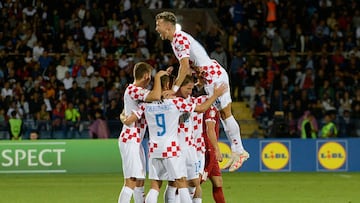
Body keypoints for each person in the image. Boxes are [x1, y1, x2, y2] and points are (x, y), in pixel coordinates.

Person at [155, 11, 249, 172]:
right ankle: (238, 150)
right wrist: (197, 79)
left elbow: (185, 67)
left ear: (168, 26)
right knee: (225, 116)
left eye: (158, 25)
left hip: (214, 77)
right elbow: (191, 66)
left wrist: (174, 89)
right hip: (209, 77)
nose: (157, 29)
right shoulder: (175, 41)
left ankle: (239, 151)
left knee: (226, 115)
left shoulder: (179, 39)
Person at [125, 75, 227, 203]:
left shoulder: (146, 105)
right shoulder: (176, 102)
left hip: (154, 149)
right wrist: (216, 94)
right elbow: (201, 108)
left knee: (155, 186)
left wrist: (123, 116)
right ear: (168, 86)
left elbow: (129, 120)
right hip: (172, 148)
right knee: (181, 182)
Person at [117, 62, 167, 203]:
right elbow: (156, 96)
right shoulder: (133, 89)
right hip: (130, 139)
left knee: (139, 180)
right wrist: (158, 77)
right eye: (150, 76)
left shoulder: (136, 94)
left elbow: (126, 113)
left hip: (136, 140)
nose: (150, 79)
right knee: (131, 180)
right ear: (146, 76)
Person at [202, 106, 226, 203]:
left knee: (218, 182)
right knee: (196, 182)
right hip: (206, 147)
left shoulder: (211, 106)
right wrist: (217, 149)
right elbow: (210, 129)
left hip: (209, 147)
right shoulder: (211, 108)